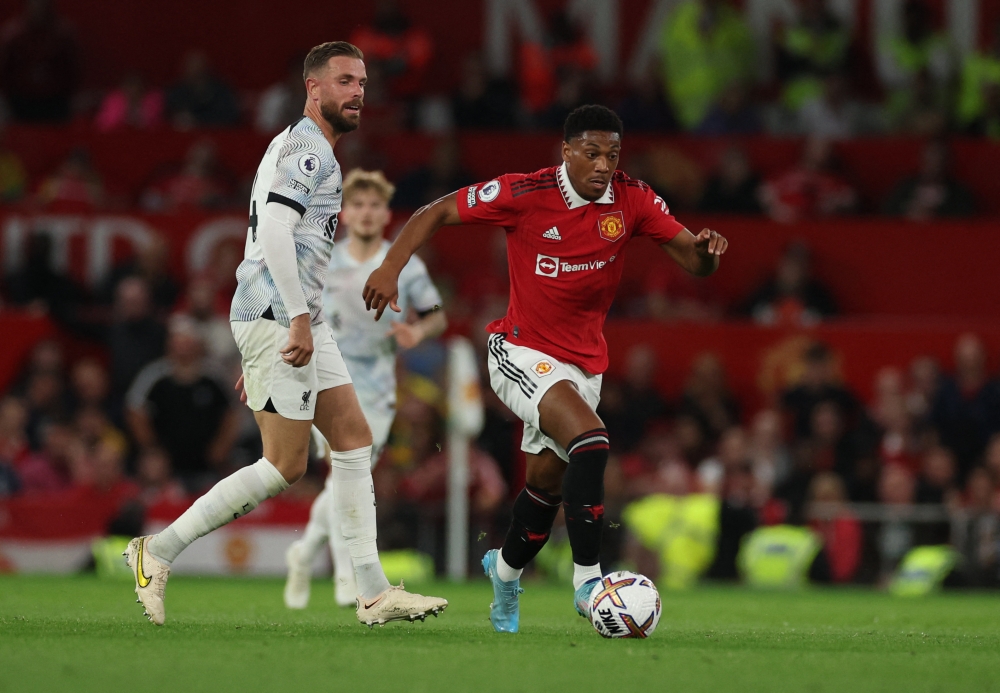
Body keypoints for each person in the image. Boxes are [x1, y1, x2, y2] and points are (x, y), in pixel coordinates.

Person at [363, 105, 728, 632]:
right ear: (567, 151)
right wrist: (389, 267)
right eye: (592, 153)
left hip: (583, 366)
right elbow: (436, 211)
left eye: (612, 155)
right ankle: (588, 582)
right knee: (592, 441)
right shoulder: (525, 193)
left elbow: (693, 260)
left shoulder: (633, 199)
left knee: (545, 486)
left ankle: (504, 574)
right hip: (519, 351)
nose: (603, 165)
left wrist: (708, 252)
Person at [124, 41, 447, 627]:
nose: (358, 93)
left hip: (293, 316)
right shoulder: (309, 151)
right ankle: (158, 550)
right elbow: (274, 232)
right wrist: (293, 320)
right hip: (282, 315)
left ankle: (372, 592)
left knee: (353, 438)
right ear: (312, 88)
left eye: (363, 83)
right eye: (345, 81)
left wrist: (292, 324)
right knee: (284, 466)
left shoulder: (299, 144)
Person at [284, 168, 447, 609]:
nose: (367, 213)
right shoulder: (325, 261)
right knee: (345, 475)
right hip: (328, 378)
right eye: (358, 205)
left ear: (387, 213)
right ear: (344, 213)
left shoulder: (404, 264)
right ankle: (346, 577)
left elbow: (437, 313)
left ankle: (304, 551)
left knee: (348, 477)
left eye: (375, 205)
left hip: (378, 387)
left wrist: (418, 331)